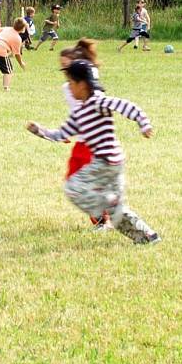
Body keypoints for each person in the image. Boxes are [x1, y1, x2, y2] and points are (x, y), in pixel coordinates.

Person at [27, 59, 160, 245]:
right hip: (115, 163)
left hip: (105, 161)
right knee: (117, 213)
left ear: (83, 85)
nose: (69, 88)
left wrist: (144, 124)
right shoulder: (80, 112)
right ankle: (147, 237)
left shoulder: (97, 101)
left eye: (71, 83)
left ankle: (110, 203)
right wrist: (40, 131)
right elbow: (61, 134)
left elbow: (128, 106)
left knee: (73, 188)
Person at [59, 39, 111, 231]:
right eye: (63, 68)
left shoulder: (90, 84)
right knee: (73, 180)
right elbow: (76, 113)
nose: (65, 72)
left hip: (93, 142)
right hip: (81, 142)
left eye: (68, 67)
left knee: (86, 183)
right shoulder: (67, 89)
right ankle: (103, 216)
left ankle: (103, 220)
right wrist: (67, 131)